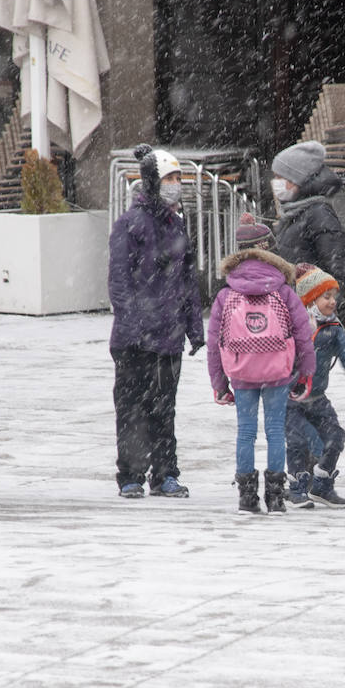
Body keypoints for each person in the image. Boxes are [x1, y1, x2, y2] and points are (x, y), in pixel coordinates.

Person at [108, 144, 205, 500]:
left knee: (164, 409)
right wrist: (134, 328)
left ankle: (165, 473)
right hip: (134, 340)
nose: (176, 184)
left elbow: (187, 281)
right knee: (132, 407)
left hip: (169, 336)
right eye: (169, 178)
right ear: (152, 182)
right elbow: (119, 282)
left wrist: (195, 327)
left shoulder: (178, 225)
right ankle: (130, 474)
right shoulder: (129, 225)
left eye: (179, 178)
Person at [207, 216, 316, 515]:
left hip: (241, 372)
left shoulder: (226, 294)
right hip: (277, 371)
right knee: (275, 432)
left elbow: (215, 342)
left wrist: (219, 383)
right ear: (268, 250)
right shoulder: (282, 291)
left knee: (245, 432)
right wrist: (306, 372)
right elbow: (303, 335)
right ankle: (276, 497)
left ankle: (246, 497)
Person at [284, 263, 345, 509]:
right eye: (326, 296)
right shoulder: (294, 326)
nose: (333, 301)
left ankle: (322, 485)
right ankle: (296, 488)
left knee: (335, 437)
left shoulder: (333, 329)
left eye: (334, 296)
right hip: (290, 399)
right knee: (300, 442)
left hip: (318, 397)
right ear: (311, 298)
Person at [271, 140, 345, 347]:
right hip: (295, 313)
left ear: (297, 179)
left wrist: (322, 305)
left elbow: (340, 268)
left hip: (311, 320)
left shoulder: (318, 213)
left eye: (281, 177)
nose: (276, 182)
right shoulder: (296, 212)